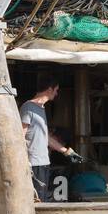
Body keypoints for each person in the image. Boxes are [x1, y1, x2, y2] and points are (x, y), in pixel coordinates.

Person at [19, 73, 76, 201]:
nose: (56, 94)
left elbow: (46, 137)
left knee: (42, 199)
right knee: (36, 201)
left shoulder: (41, 108)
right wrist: (24, 161)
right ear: (50, 89)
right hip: (33, 164)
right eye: (56, 90)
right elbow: (20, 136)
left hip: (44, 162)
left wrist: (66, 151)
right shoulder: (28, 107)